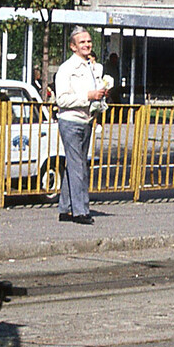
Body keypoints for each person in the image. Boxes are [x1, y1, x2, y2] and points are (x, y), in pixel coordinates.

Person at [53, 28, 110, 225]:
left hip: (86, 120)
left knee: (76, 165)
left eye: (89, 42)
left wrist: (100, 95)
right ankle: (80, 211)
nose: (86, 45)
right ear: (73, 46)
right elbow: (62, 99)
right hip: (70, 120)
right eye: (82, 42)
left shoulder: (92, 67)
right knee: (79, 166)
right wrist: (88, 96)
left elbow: (95, 91)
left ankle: (65, 208)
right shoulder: (67, 69)